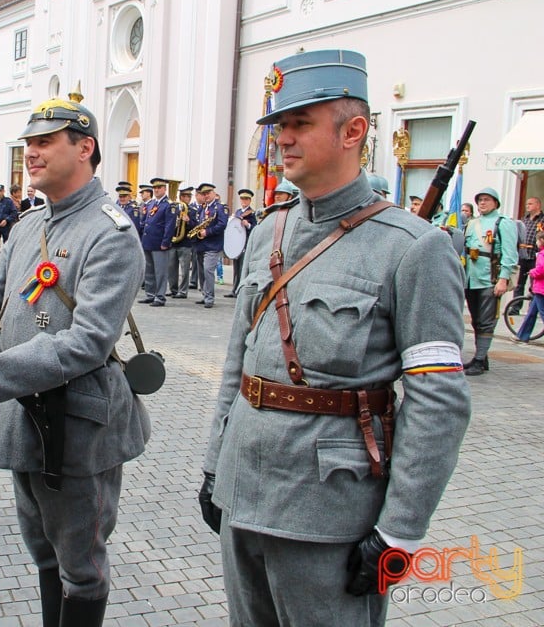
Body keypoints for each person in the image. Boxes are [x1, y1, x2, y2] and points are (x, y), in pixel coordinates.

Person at [199, 49, 470, 627]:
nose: (283, 140)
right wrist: (214, 465)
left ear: (353, 131)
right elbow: (237, 361)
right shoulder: (271, 227)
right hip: (244, 493)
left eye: (300, 124)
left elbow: (439, 402)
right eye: (279, 127)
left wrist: (399, 532)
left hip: (330, 512)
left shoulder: (413, 249)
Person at [0, 94, 149, 627]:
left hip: (78, 428)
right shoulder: (25, 228)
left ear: (84, 148)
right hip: (25, 418)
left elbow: (87, 342)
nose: (30, 153)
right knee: (43, 553)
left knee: (80, 566)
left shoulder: (113, 234)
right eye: (28, 144)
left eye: (44, 142)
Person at [461, 187, 518, 375]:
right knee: (476, 320)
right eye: (480, 200)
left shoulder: (503, 223)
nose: (482, 203)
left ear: (495, 202)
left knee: (486, 321)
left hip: (489, 278)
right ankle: (481, 356)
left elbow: (510, 254)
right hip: (471, 278)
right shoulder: (472, 223)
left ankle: (479, 360)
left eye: (486, 199)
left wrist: (503, 279)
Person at [138, 176, 176, 307]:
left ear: (164, 189)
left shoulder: (168, 205)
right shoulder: (152, 204)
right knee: (149, 270)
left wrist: (166, 242)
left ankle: (160, 296)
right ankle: (150, 294)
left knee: (160, 272)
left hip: (160, 243)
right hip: (148, 241)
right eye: (154, 188)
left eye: (159, 187)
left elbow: (169, 226)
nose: (156, 190)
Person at [192, 183, 228, 308]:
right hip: (201, 245)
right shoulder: (202, 208)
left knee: (208, 270)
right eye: (204, 194)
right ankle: (204, 294)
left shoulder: (220, 208)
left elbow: (222, 224)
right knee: (201, 272)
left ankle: (210, 298)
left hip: (213, 245)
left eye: (208, 193)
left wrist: (207, 232)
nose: (206, 196)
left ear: (213, 193)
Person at [511, 197, 542, 309]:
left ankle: (532, 308)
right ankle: (515, 308)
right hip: (523, 255)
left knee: (534, 284)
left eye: (530, 204)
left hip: (536, 256)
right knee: (519, 283)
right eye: (526, 204)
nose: (527, 206)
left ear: (538, 205)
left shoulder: (542, 220)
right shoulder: (524, 220)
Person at [513, 230, 544, 343]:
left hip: (541, 288)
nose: (536, 242)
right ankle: (522, 335)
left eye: (537, 240)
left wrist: (532, 272)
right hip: (539, 289)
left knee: (542, 313)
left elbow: (541, 269)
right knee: (531, 313)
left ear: (541, 241)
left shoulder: (542, 254)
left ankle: (522, 335)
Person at [168, 185, 197, 298]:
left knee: (184, 269)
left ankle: (183, 291)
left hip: (185, 242)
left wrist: (188, 221)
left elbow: (196, 226)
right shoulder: (174, 208)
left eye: (188, 196)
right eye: (184, 196)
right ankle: (173, 289)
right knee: (171, 267)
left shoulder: (192, 211)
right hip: (173, 241)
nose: (186, 198)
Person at [228, 188, 258, 296]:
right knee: (236, 268)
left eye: (246, 199)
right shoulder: (238, 212)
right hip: (237, 242)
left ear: (250, 201)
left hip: (245, 243)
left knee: (242, 267)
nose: (244, 201)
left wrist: (248, 225)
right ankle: (234, 289)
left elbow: (256, 227)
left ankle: (240, 289)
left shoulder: (252, 213)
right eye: (242, 199)